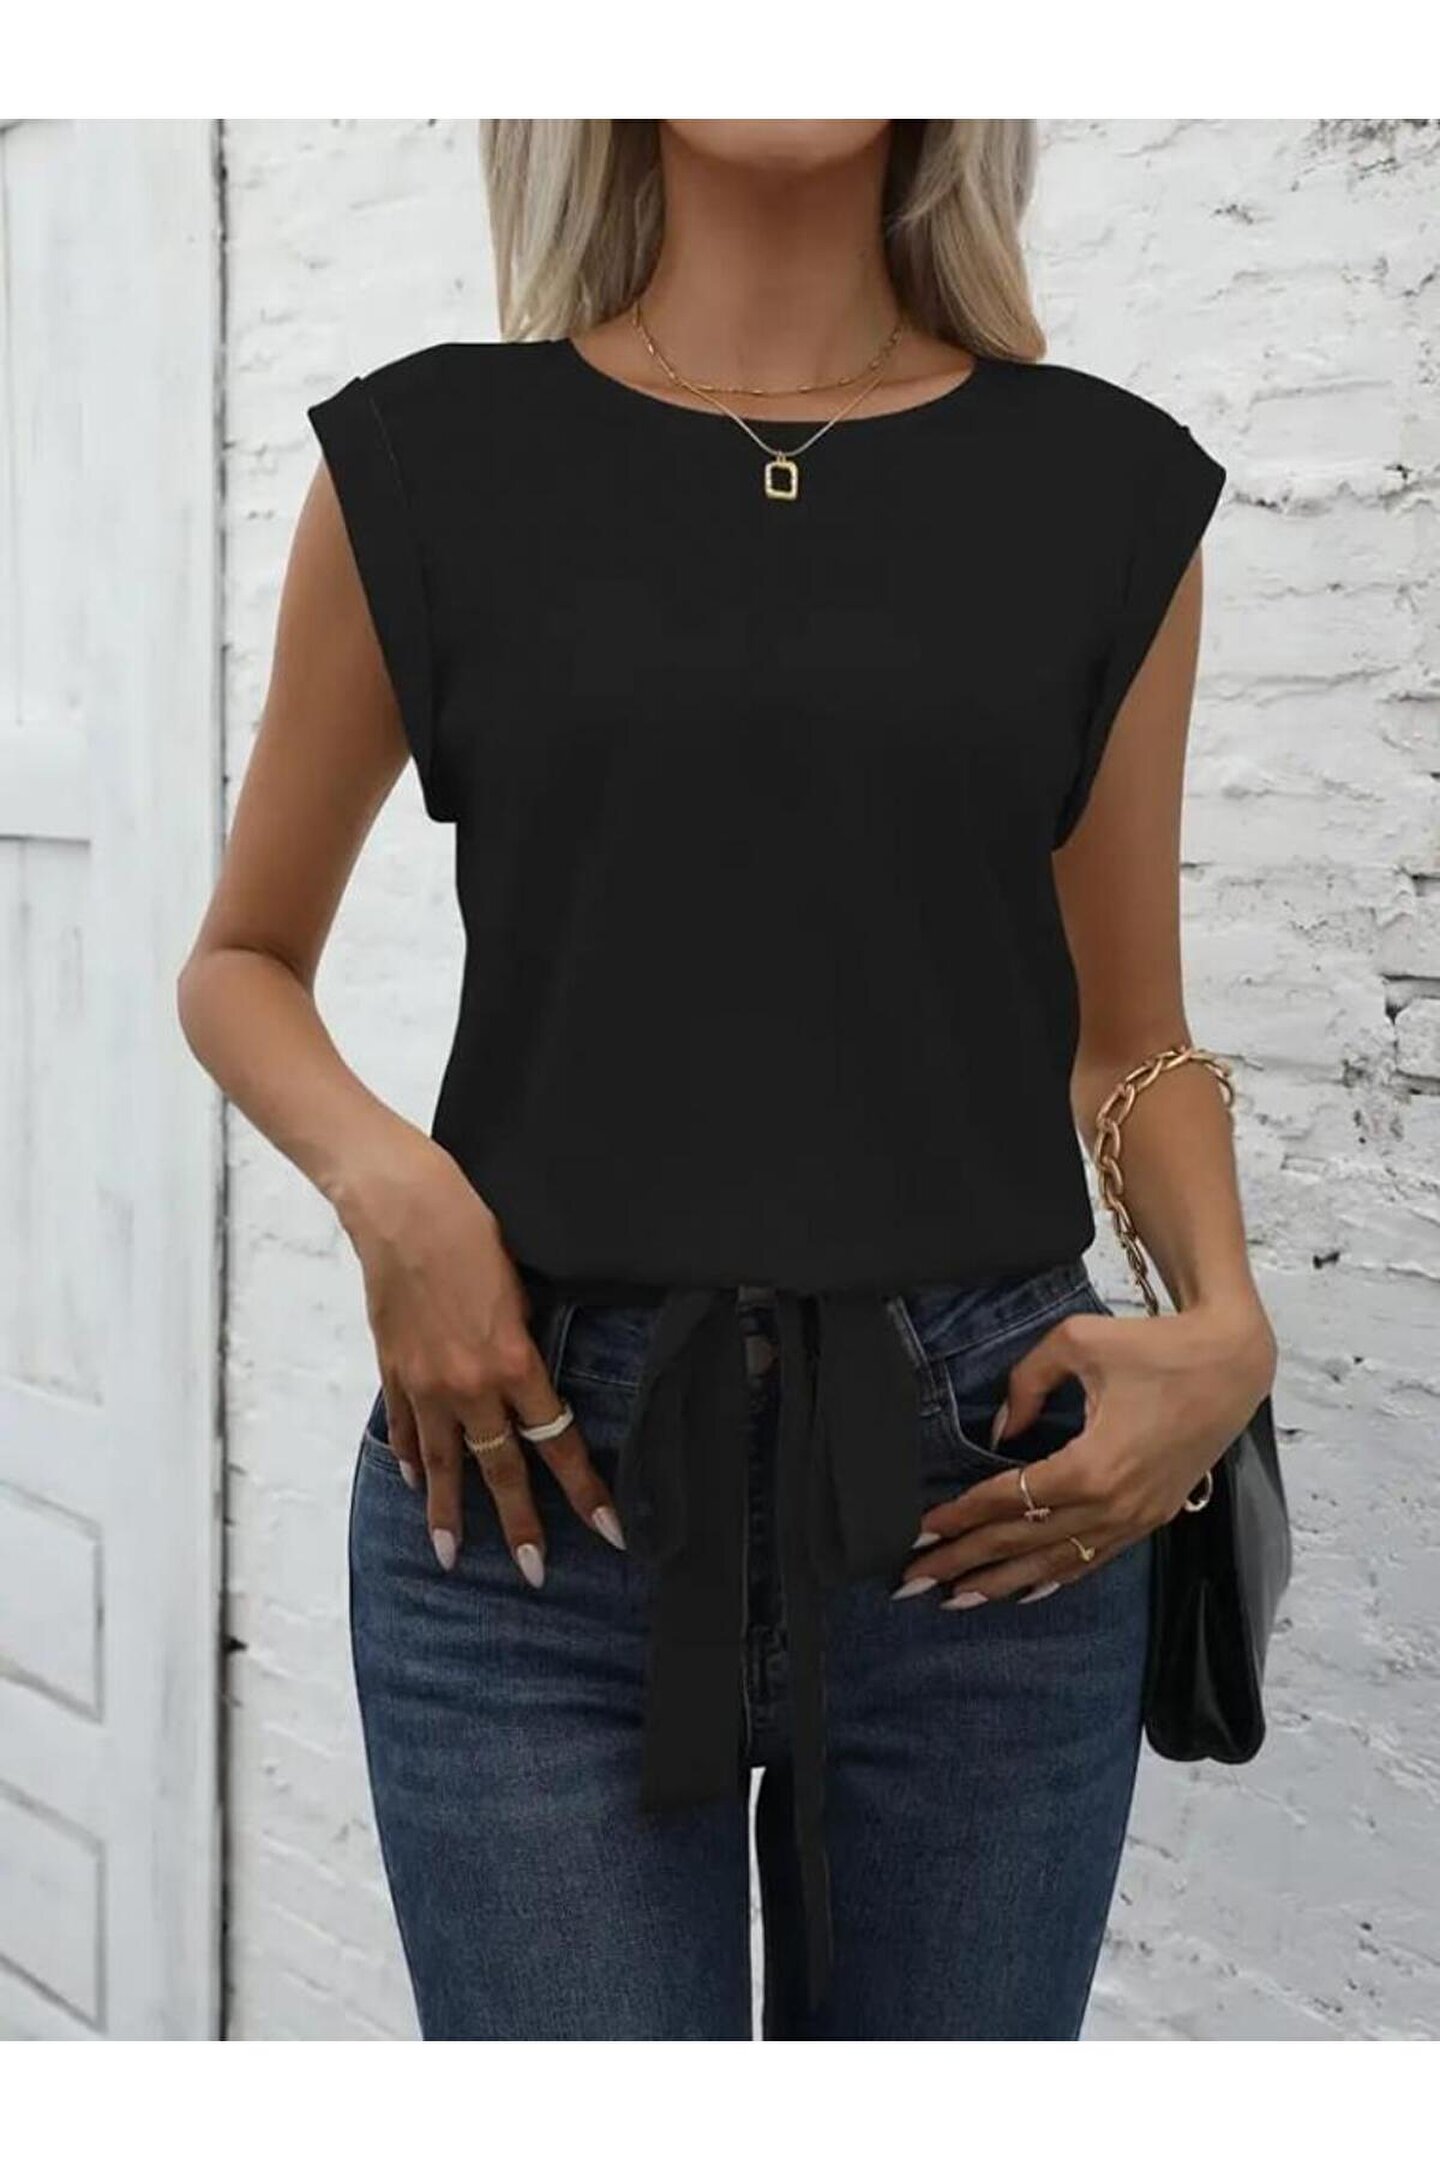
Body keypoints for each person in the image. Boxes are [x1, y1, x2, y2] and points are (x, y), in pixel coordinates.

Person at [177, 118, 1278, 2040]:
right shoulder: (425, 462)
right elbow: (239, 962)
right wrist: (395, 1190)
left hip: (990, 1502)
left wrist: (1228, 1323)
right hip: (534, 1504)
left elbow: (1130, 1034)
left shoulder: (1106, 489)